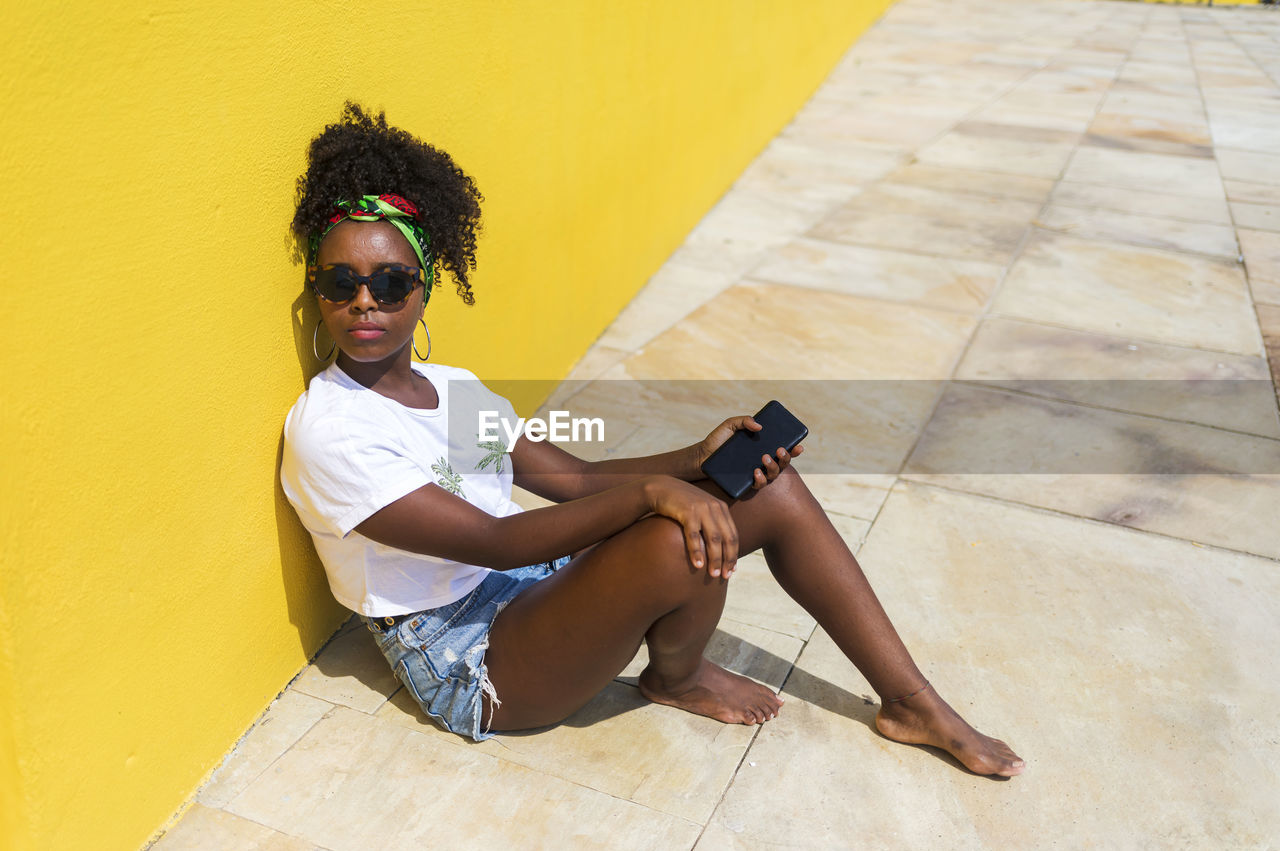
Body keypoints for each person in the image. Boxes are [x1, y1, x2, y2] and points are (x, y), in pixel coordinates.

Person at [281, 103, 1024, 777]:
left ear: (426, 285)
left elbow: (569, 482)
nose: (364, 302)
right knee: (677, 533)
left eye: (390, 282)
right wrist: (653, 495)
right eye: (339, 281)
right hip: (472, 658)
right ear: (317, 290)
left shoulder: (453, 390)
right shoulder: (330, 430)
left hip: (527, 591)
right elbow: (498, 542)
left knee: (764, 488)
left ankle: (910, 700)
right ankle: (677, 676)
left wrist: (691, 461)